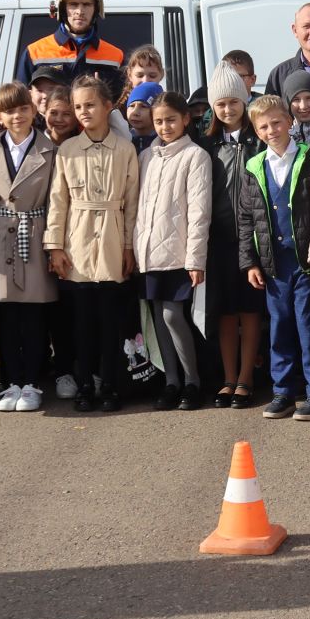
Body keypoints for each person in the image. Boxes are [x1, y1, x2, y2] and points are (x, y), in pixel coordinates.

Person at [45, 73, 141, 414]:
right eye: (77, 106)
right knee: (82, 323)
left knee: (111, 321)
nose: (83, 112)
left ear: (106, 106)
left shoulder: (125, 149)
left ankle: (110, 384)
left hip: (114, 240)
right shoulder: (68, 150)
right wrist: (55, 246)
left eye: (90, 105)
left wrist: (129, 247)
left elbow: (131, 203)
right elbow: (58, 201)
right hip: (79, 242)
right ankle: (85, 384)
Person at [239, 93, 310, 421]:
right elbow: (246, 217)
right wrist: (249, 261)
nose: (272, 130)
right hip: (273, 264)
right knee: (280, 326)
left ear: (290, 122)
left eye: (277, 122)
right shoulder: (254, 166)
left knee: (309, 325)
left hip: (304, 262)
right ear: (256, 130)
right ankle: (283, 391)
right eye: (263, 126)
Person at [0, 82, 59, 413]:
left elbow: (56, 202)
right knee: (4, 316)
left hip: (34, 235)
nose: (17, 115)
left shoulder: (50, 150)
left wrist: (54, 246)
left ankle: (32, 382)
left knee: (34, 316)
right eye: (9, 110)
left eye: (23, 108)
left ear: (33, 110)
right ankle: (10, 384)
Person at [133, 90, 214, 411]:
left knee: (173, 315)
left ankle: (193, 381)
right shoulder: (146, 157)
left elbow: (199, 211)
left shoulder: (196, 156)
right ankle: (171, 382)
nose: (165, 127)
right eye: (159, 121)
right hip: (149, 254)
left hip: (180, 255)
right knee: (157, 316)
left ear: (185, 120)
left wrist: (196, 258)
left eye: (170, 120)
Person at [199, 65, 264, 408]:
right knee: (225, 311)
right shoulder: (208, 144)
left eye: (234, 102)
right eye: (220, 104)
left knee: (250, 310)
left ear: (245, 101)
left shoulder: (258, 141)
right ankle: (228, 377)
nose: (228, 110)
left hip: (252, 239)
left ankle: (246, 378)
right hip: (220, 239)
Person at [18, 0, 125, 96]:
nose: (80, 11)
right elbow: (21, 104)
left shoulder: (115, 57)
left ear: (97, 9)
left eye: (86, 4)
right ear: (62, 8)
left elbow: (123, 106)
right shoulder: (34, 53)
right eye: (73, 4)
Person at [124, 81, 161, 153]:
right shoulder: (122, 138)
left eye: (143, 106)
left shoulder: (164, 141)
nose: (135, 112)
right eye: (131, 106)